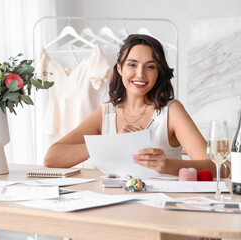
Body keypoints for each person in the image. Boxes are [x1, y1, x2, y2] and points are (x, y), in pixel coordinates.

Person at [44, 34, 218, 176]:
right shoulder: (106, 112)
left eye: (150, 66)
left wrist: (168, 165)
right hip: (113, 206)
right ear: (119, 69)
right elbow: (52, 158)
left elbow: (218, 168)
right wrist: (108, 143)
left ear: (159, 72)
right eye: (132, 65)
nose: (140, 74)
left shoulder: (171, 112)